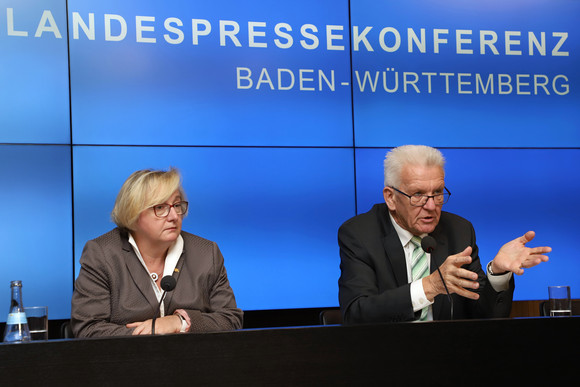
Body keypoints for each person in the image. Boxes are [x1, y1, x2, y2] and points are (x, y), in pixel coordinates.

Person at [338, 145, 551, 323]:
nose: (431, 206)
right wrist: (429, 286)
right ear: (391, 198)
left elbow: (486, 318)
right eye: (418, 194)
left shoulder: (459, 230)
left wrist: (497, 273)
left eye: (438, 193)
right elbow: (356, 313)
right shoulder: (360, 234)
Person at [71, 168, 243, 337]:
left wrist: (178, 323)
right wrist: (151, 332)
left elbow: (231, 320)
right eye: (160, 207)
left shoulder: (206, 253)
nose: (174, 216)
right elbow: (88, 328)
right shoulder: (102, 253)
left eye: (177, 205)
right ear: (133, 213)